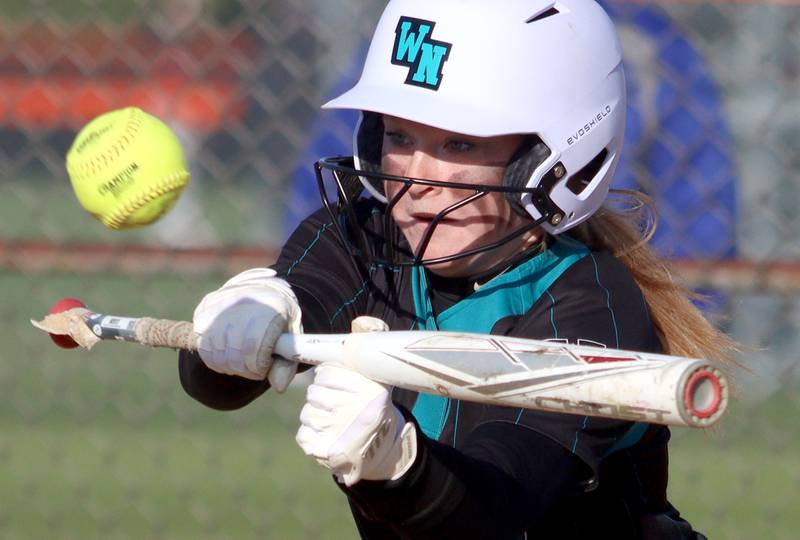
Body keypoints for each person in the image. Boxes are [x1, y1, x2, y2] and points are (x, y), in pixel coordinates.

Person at [179, 0, 737, 537]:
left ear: (557, 159)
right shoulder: (361, 238)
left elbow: (498, 512)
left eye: (458, 143)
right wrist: (243, 323)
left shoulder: (591, 305)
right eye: (398, 136)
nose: (416, 176)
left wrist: (397, 467)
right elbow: (216, 387)